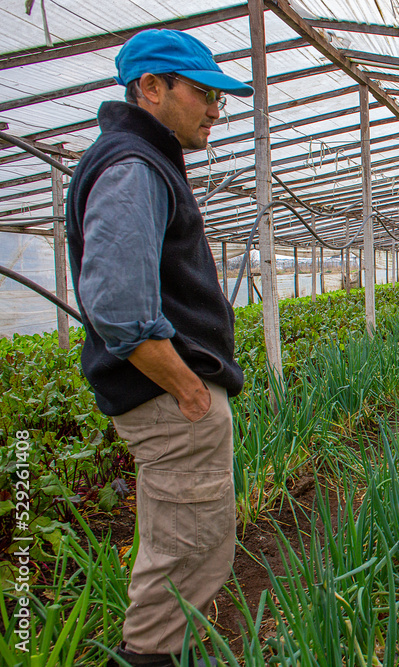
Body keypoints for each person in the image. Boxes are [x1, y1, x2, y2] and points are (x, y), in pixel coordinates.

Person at [65, 29, 252, 667]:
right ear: (150, 88)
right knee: (183, 556)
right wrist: (188, 388)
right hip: (171, 404)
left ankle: (172, 651)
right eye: (203, 93)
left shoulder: (143, 160)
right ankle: (154, 656)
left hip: (171, 403)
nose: (215, 110)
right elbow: (119, 306)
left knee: (188, 546)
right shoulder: (133, 165)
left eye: (220, 99)